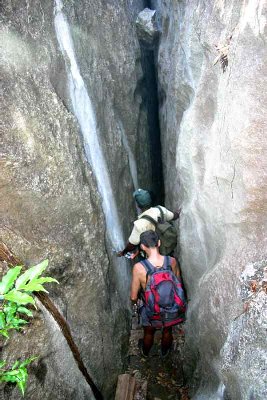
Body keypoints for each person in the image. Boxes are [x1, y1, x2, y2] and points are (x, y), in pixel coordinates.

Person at [130, 230, 185, 357]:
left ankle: (145, 352)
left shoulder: (139, 268)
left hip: (151, 309)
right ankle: (165, 353)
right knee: (167, 330)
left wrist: (136, 303)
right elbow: (178, 284)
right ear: (159, 243)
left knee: (148, 332)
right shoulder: (172, 261)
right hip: (171, 308)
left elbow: (133, 296)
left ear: (142, 247)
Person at [117, 188, 180, 257]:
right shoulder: (160, 210)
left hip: (154, 253)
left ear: (138, 205)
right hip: (167, 243)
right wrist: (178, 212)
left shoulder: (139, 224)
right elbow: (174, 216)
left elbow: (132, 244)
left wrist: (123, 252)